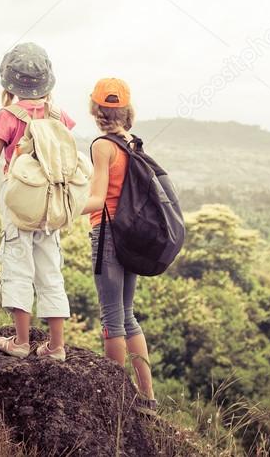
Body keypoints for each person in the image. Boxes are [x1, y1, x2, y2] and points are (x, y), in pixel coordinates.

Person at [0, 42, 75, 361]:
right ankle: (56, 346)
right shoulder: (58, 114)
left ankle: (21, 341)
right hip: (51, 203)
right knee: (50, 268)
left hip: (19, 202)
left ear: (8, 81)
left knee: (17, 265)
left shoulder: (7, 116)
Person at [83, 78, 157, 414]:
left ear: (96, 108)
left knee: (112, 318)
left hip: (108, 233)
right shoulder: (133, 142)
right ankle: (147, 397)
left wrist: (61, 207)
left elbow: (97, 198)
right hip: (132, 236)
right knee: (128, 316)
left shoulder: (102, 145)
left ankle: (115, 400)